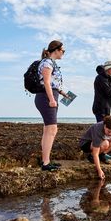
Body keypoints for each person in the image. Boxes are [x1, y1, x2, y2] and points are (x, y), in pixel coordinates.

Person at [35, 40, 68, 172]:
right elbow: (47, 83)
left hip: (50, 96)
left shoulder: (51, 63)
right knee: (52, 129)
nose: (63, 53)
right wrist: (51, 99)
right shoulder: (47, 62)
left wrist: (62, 93)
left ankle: (45, 159)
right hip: (46, 97)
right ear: (56, 50)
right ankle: (46, 163)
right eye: (63, 51)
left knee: (47, 130)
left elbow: (53, 83)